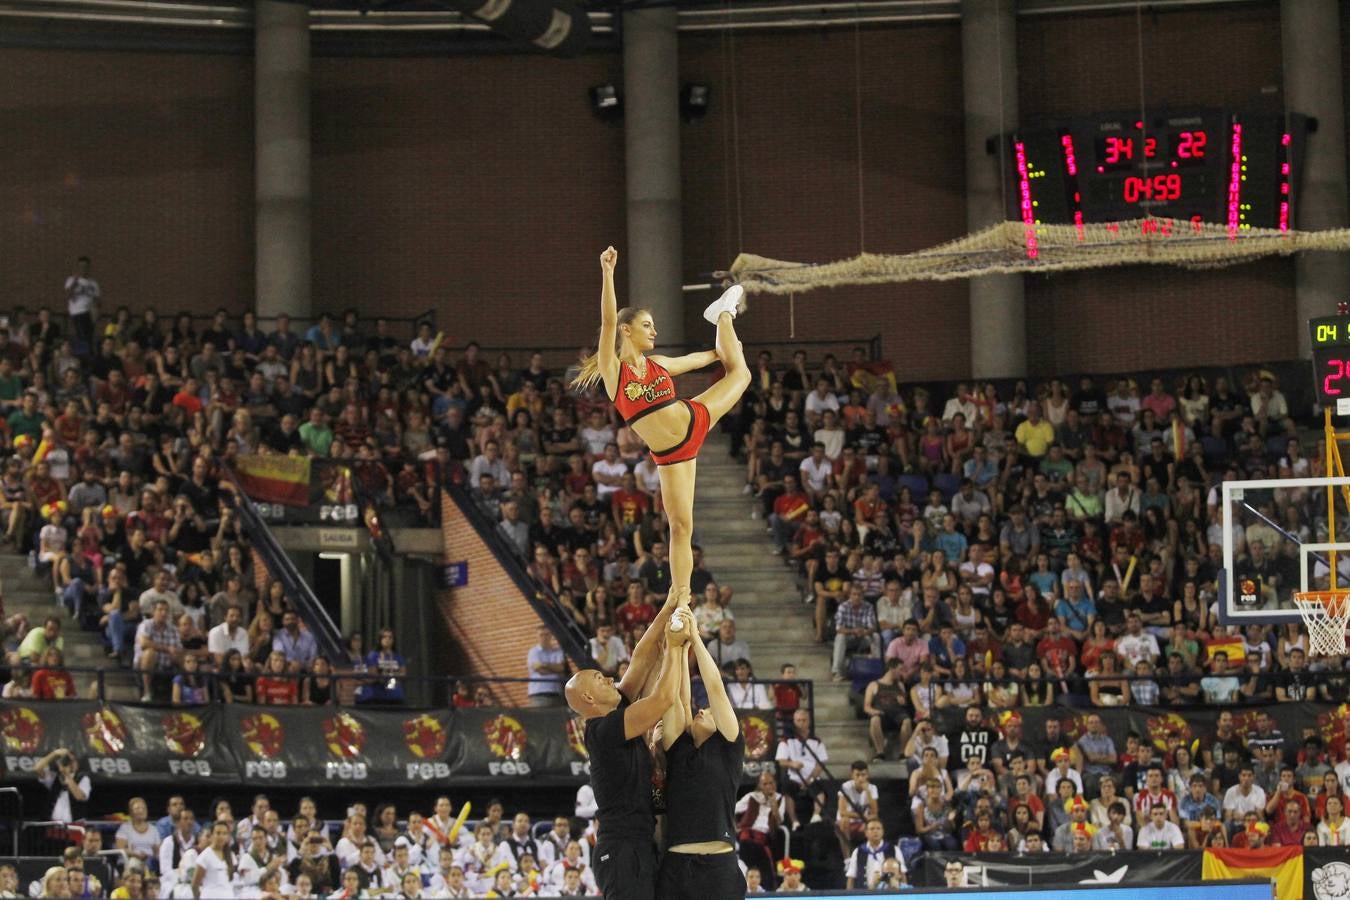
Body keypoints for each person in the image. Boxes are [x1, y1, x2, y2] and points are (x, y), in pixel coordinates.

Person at [570, 246, 750, 602]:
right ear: (627, 330)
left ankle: (723, 316)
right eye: (647, 325)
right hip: (673, 456)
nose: (655, 330)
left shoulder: (660, 364)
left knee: (739, 371)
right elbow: (607, 322)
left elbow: (704, 358)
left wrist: (726, 347)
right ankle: (681, 598)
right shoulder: (614, 371)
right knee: (681, 527)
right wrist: (607, 274)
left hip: (695, 419)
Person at [565, 598, 693, 900]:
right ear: (588, 696)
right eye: (599, 679)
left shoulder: (613, 716)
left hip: (636, 844)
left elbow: (641, 660)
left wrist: (669, 605)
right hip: (622, 849)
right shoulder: (602, 730)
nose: (609, 678)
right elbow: (661, 700)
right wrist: (675, 649)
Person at [655, 601, 745, 900]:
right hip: (677, 867)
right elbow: (676, 697)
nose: (702, 710)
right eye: (700, 709)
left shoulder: (729, 745)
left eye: (706, 711)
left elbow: (715, 686)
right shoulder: (677, 747)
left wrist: (695, 639)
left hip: (719, 868)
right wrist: (675, 649)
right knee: (677, 700)